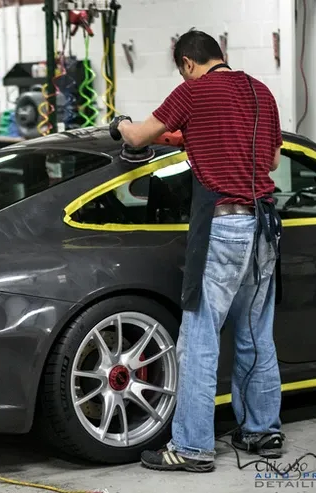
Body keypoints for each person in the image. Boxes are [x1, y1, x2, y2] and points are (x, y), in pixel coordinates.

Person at [109, 29, 284, 472]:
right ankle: (262, 432)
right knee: (255, 334)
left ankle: (191, 447)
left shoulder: (193, 92)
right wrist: (201, 139)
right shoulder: (260, 91)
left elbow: (138, 137)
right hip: (265, 225)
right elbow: (272, 161)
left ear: (188, 63)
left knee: (200, 340)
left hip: (224, 227)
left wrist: (120, 125)